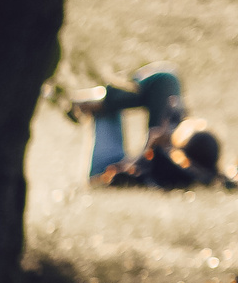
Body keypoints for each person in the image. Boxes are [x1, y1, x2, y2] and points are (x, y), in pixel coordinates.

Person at [74, 63, 234, 189]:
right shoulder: (205, 173)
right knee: (166, 79)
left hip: (106, 167)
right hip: (149, 158)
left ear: (182, 151)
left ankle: (97, 100)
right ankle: (102, 100)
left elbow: (118, 176)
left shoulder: (167, 165)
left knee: (107, 110)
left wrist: (150, 149)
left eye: (184, 131)